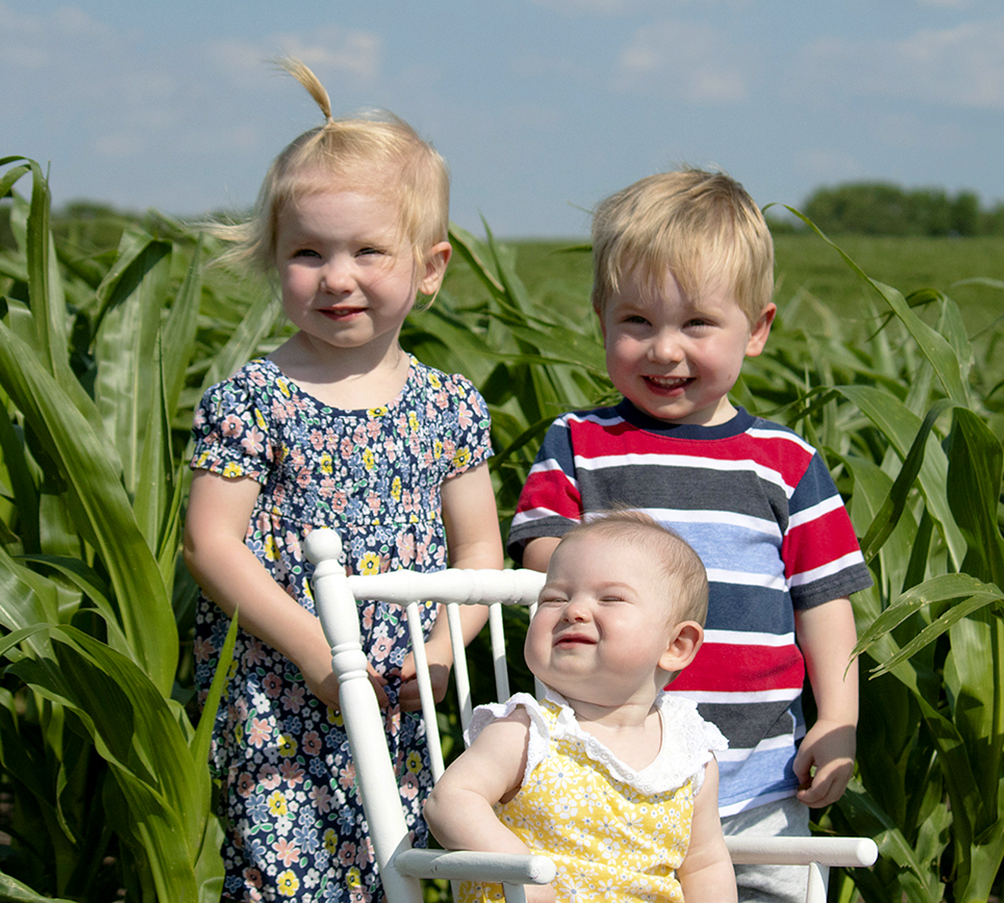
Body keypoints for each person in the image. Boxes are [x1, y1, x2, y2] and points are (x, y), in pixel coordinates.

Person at [182, 58, 502, 903]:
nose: (337, 277)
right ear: (272, 261)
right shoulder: (253, 399)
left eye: (368, 250)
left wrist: (440, 653)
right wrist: (322, 656)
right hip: (281, 690)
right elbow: (211, 542)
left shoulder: (450, 406)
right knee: (284, 878)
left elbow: (479, 551)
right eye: (308, 253)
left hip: (401, 695)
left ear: (429, 268)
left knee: (390, 872)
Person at [506, 168, 874, 903]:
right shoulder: (579, 443)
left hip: (762, 785)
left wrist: (838, 719)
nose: (664, 350)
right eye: (637, 322)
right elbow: (549, 567)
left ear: (758, 328)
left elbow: (825, 605)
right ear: (602, 319)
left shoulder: (786, 464)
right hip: (613, 777)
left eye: (697, 324)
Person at [425, 512, 737, 903]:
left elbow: (705, 863)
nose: (574, 611)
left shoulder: (689, 755)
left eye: (610, 598)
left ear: (676, 646)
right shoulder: (529, 731)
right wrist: (521, 871)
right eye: (554, 598)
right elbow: (450, 801)